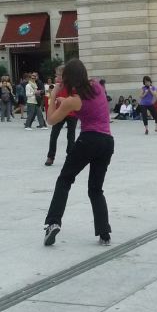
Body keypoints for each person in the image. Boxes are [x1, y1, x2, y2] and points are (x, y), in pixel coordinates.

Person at [43, 59, 115, 247]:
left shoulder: (72, 101)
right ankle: (104, 233)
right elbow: (91, 107)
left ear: (68, 78)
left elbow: (51, 120)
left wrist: (54, 95)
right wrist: (65, 102)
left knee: (65, 180)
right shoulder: (97, 86)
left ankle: (53, 223)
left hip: (88, 140)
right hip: (107, 142)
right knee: (96, 189)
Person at [45, 65, 78, 167]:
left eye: (58, 74)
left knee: (71, 136)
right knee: (54, 134)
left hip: (72, 113)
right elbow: (52, 98)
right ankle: (50, 157)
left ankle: (70, 156)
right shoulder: (57, 86)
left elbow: (77, 98)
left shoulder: (73, 85)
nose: (56, 76)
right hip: (59, 112)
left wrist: (64, 100)